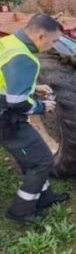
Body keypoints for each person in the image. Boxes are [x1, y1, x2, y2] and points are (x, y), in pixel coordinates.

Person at [0, 14, 70, 225]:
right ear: (41, 36)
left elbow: (7, 78)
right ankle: (20, 212)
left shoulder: (9, 43)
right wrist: (42, 106)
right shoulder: (24, 58)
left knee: (35, 157)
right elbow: (17, 101)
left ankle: (45, 197)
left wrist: (33, 88)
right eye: (54, 41)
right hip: (6, 118)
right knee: (42, 161)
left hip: (5, 111)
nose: (54, 46)